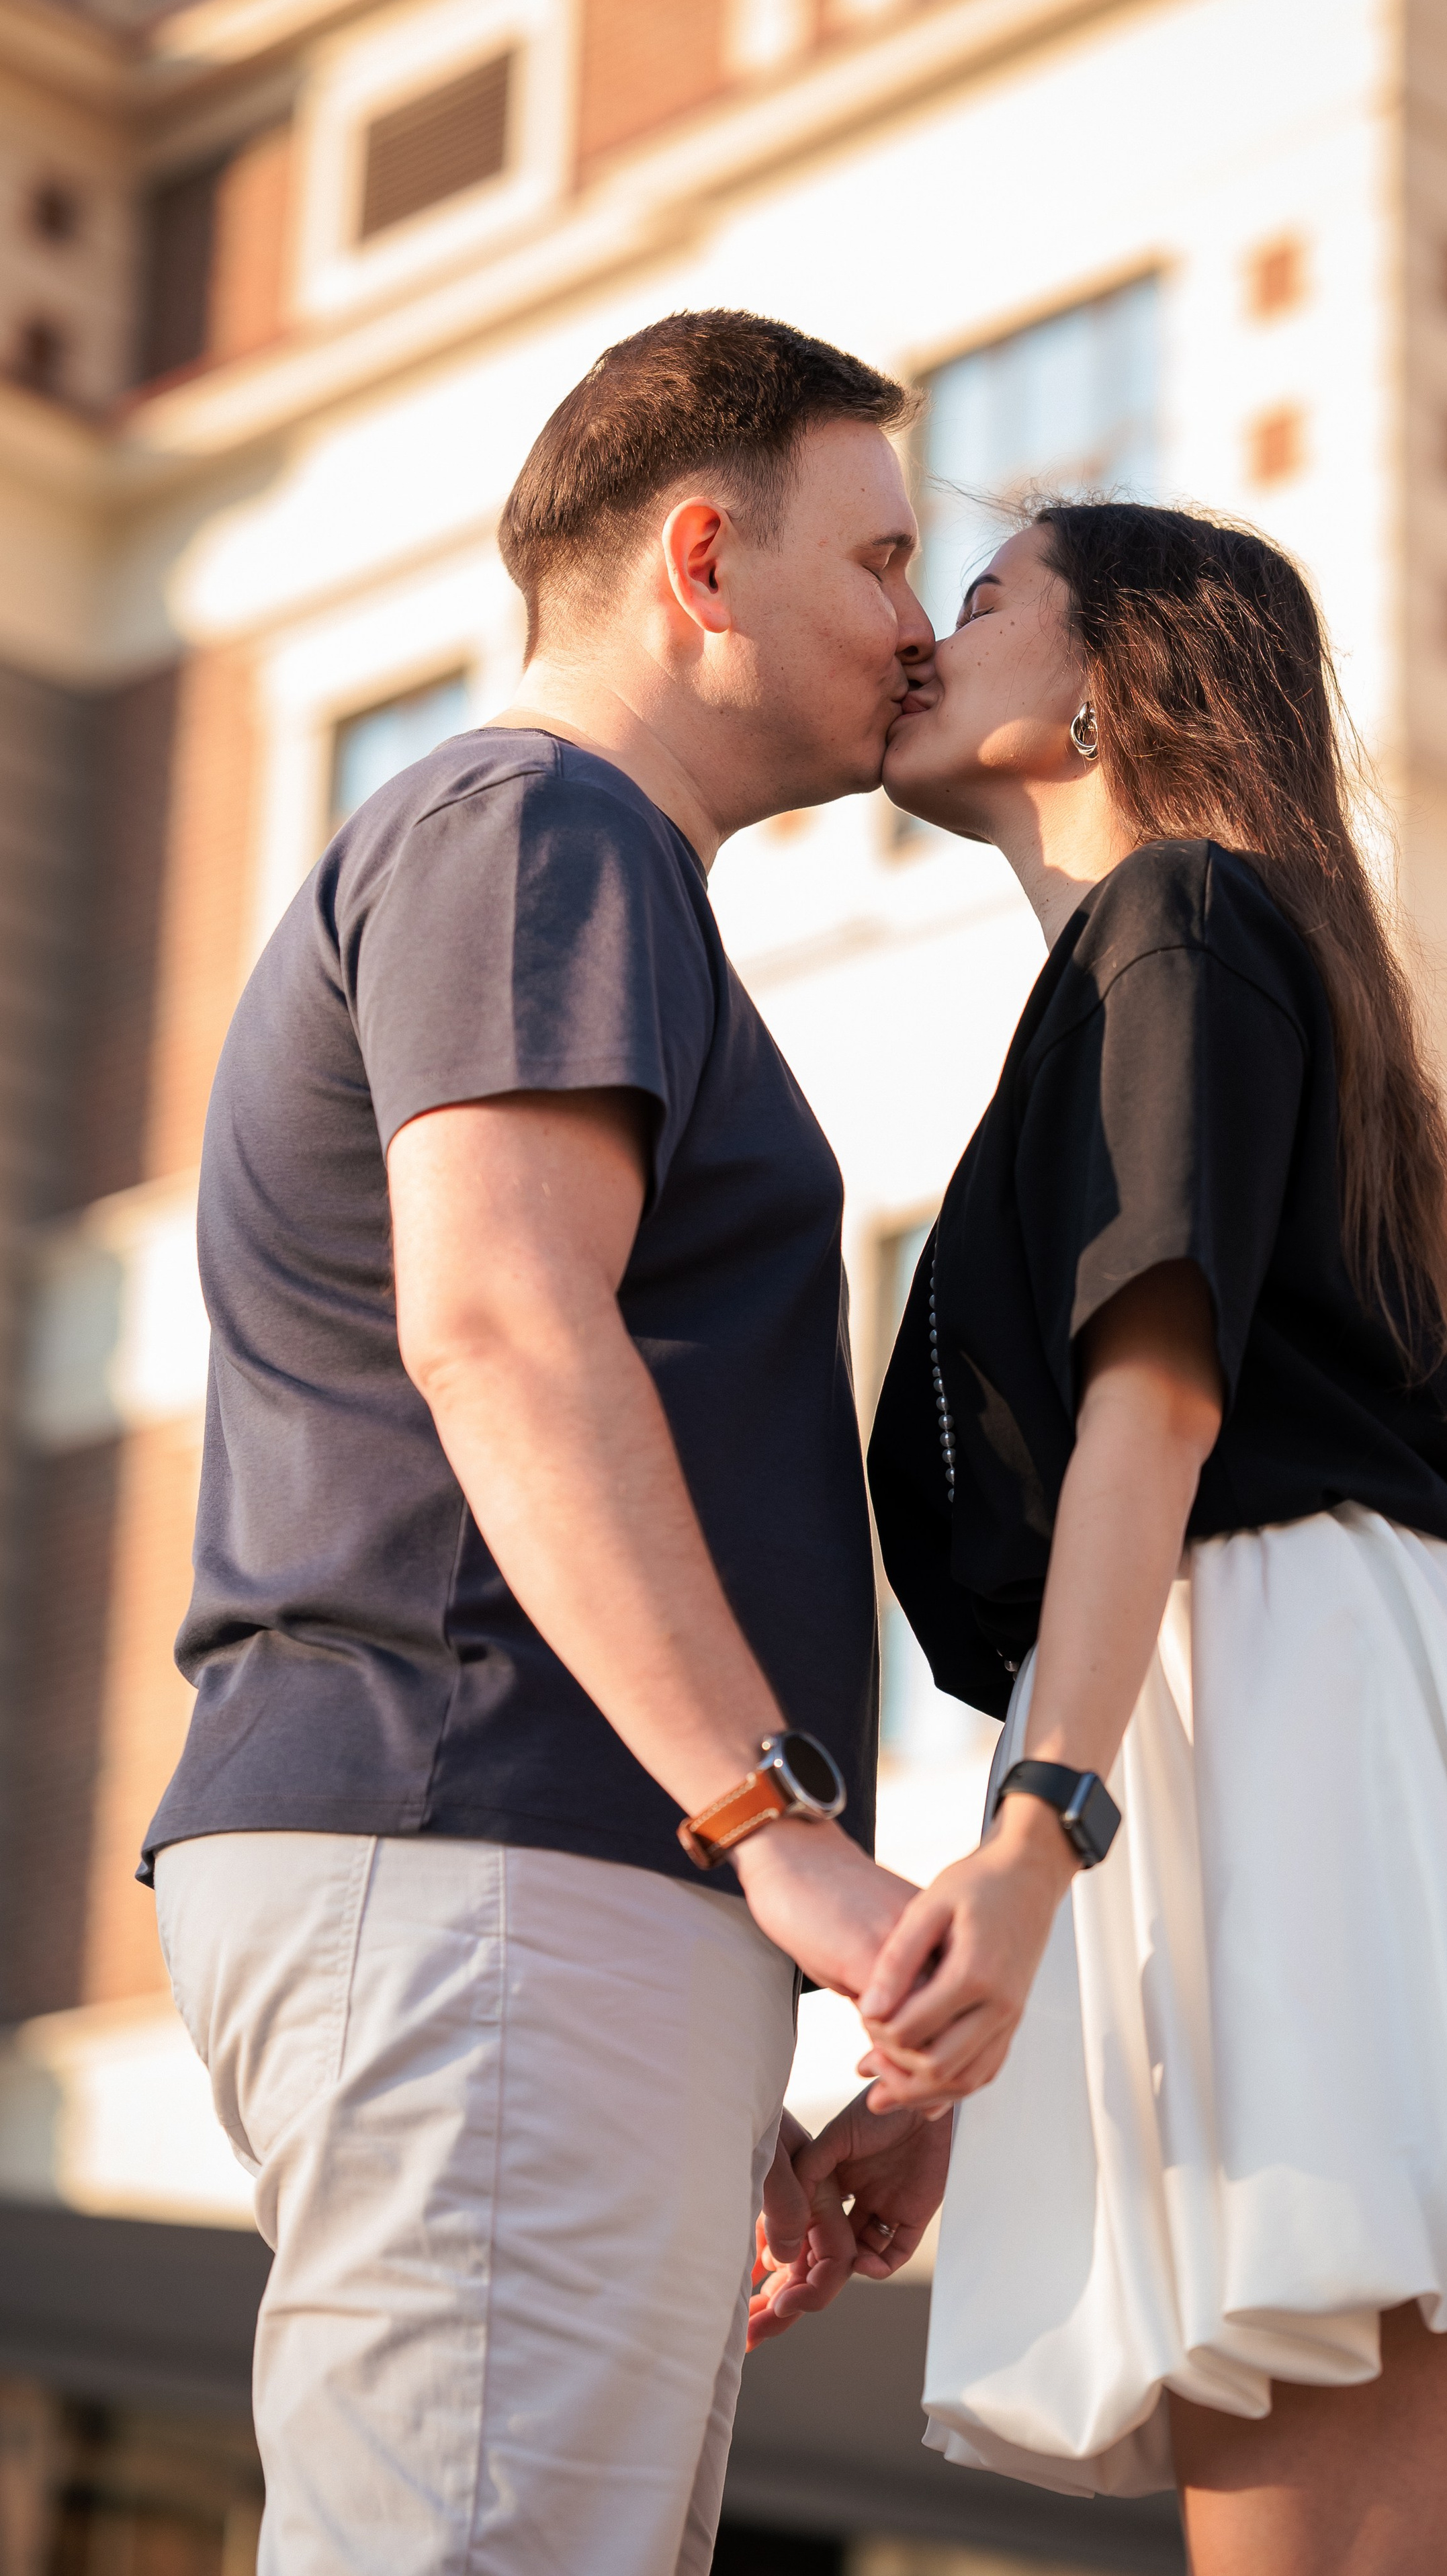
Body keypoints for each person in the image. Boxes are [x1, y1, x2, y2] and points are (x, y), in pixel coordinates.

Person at [763, 502, 1447, 2575]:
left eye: (985, 598)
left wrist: (1033, 1844)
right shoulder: (1174, 952)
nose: (930, 633)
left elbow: (1161, 1408)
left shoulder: (1179, 920)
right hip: (1243, 1732)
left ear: (1108, 688)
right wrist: (950, 2062)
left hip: (1264, 1730)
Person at [139, 309, 943, 2576]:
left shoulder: (575, 859)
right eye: (881, 559)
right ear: (703, 561)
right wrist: (770, 1827)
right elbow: (498, 1322)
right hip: (490, 1846)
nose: (913, 624)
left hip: (525, 1880)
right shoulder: (539, 824)